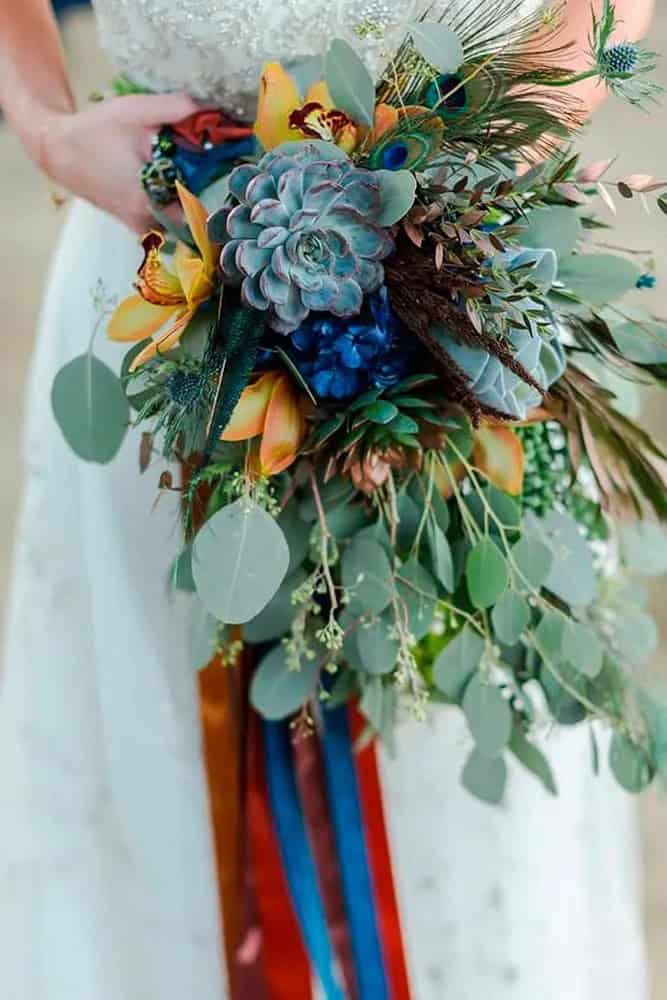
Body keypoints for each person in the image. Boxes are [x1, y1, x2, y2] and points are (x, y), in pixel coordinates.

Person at [0, 1, 656, 998]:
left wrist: (494, 139)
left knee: (461, 757)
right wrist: (47, 128)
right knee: (166, 782)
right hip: (163, 263)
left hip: (459, 280)